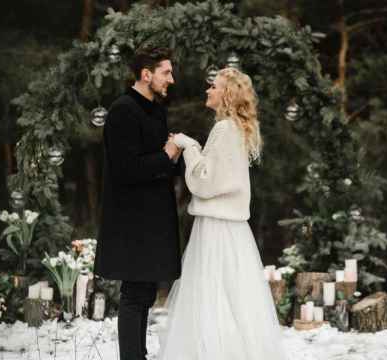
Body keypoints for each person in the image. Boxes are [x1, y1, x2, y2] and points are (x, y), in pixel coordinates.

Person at [158, 67, 287, 360]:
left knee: (213, 296)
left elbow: (206, 182)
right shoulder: (234, 129)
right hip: (231, 229)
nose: (208, 90)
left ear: (227, 94)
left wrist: (187, 144)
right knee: (232, 297)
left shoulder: (225, 129)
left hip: (217, 227)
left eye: (213, 86)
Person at [94, 46, 183, 360]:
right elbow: (126, 169)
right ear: (146, 74)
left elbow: (159, 163)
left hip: (153, 220)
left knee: (146, 293)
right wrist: (167, 155)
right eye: (166, 72)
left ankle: (138, 355)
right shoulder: (123, 110)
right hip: (132, 222)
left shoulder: (156, 109)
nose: (171, 79)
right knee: (134, 294)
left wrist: (179, 156)